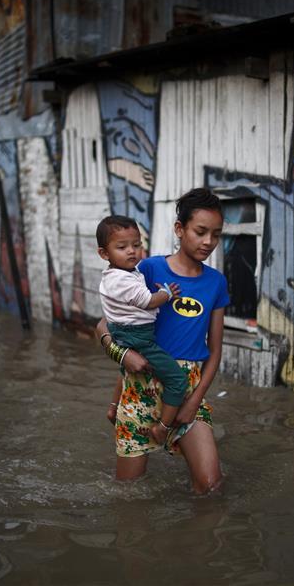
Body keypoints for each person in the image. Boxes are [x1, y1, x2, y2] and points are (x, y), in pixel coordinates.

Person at [98, 188, 228, 494]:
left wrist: (194, 401)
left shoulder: (216, 282)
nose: (208, 241)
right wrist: (121, 355)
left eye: (216, 234)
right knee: (129, 493)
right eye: (200, 231)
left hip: (187, 391)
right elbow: (105, 325)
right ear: (179, 229)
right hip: (139, 388)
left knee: (210, 487)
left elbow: (216, 350)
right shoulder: (147, 268)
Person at [96, 214, 186, 444]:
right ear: (104, 254)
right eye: (122, 247)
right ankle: (163, 427)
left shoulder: (119, 274)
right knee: (177, 380)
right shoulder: (122, 280)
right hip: (138, 337)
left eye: (136, 245)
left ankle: (113, 407)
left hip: (122, 330)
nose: (131, 251)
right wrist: (166, 294)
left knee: (125, 371)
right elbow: (148, 301)